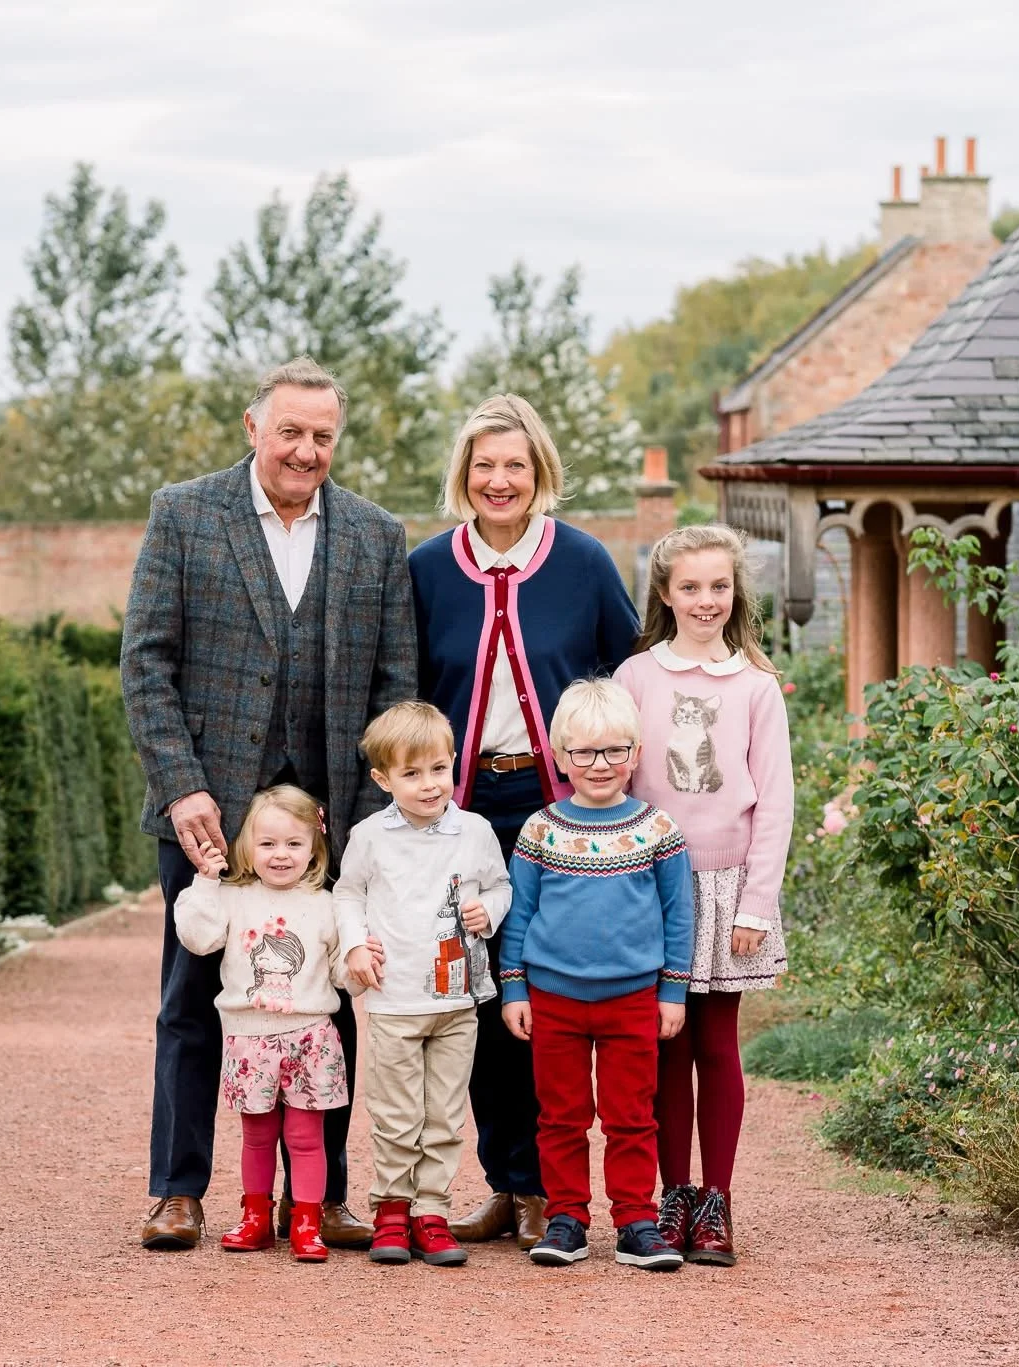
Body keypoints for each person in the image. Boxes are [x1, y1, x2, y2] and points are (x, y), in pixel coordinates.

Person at [121, 356, 418, 1252]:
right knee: (190, 997)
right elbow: (146, 663)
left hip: (331, 822)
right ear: (253, 427)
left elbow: (395, 683)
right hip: (209, 816)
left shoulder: (376, 534)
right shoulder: (184, 513)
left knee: (324, 999)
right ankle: (177, 1191)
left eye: (323, 436)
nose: (306, 450)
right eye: (290, 431)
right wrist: (182, 785)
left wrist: (367, 816)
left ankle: (317, 1198)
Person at [407, 393, 639, 1250]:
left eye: (515, 465)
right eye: (484, 466)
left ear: (541, 473)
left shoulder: (580, 562)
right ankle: (509, 1181)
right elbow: (408, 687)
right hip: (459, 813)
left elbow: (627, 672)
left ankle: (554, 1189)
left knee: (546, 993)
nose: (499, 480)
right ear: (463, 476)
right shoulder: (429, 568)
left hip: (561, 814)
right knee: (476, 998)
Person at [616, 525, 793, 1268]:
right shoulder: (635, 678)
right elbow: (615, 783)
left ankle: (716, 1201)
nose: (705, 600)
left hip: (728, 890)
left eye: (719, 586)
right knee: (667, 1044)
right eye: (690, 587)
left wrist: (756, 902)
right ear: (664, 593)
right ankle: (675, 1195)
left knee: (716, 1044)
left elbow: (775, 802)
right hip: (655, 887)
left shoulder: (755, 685)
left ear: (735, 593)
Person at [497, 679, 694, 1272]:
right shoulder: (541, 830)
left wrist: (672, 991)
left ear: (635, 754)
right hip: (553, 997)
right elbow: (520, 911)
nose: (599, 764)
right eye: (583, 752)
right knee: (560, 1115)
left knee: (632, 1115)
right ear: (560, 757)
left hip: (632, 998)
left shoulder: (657, 831)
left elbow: (678, 914)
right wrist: (513, 986)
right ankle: (567, 1219)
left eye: (614, 751)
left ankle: (636, 1220)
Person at [331, 701, 512, 1267]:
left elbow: (501, 885)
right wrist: (356, 943)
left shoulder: (475, 831)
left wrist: (489, 907)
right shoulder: (370, 837)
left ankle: (432, 1212)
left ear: (454, 762)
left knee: (444, 1115)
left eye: (439, 768)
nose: (430, 784)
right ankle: (391, 1209)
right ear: (384, 779)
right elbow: (346, 894)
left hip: (457, 998)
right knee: (396, 1113)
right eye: (412, 774)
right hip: (394, 1000)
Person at [174, 786, 364, 1262]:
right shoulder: (233, 899)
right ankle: (255, 1216)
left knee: (305, 1136)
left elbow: (341, 972)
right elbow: (198, 938)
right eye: (268, 844)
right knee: (257, 1135)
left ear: (314, 848)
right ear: (245, 847)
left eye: (294, 844)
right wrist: (205, 882)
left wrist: (361, 967)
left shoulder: (327, 904)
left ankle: (306, 1220)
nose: (281, 855)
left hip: (312, 1036)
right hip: (249, 1038)